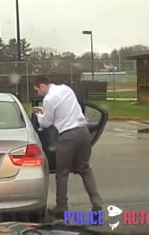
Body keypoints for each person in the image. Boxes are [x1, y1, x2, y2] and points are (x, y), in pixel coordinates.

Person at [32, 75, 103, 218]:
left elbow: (46, 123)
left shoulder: (48, 100)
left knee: (62, 173)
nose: (38, 93)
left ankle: (62, 207)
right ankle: (97, 203)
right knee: (85, 169)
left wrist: (39, 114)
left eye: (37, 90)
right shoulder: (66, 89)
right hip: (84, 133)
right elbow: (65, 110)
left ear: (42, 86)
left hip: (68, 137)